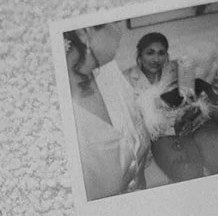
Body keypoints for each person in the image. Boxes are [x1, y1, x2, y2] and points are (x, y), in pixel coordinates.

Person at [64, 26, 151, 200]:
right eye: (115, 22)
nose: (120, 30)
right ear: (84, 33)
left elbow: (138, 137)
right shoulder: (65, 114)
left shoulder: (107, 69)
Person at [125, 32, 208, 184]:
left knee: (198, 169)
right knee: (183, 171)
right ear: (140, 55)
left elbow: (191, 98)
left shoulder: (178, 69)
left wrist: (189, 114)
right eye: (150, 53)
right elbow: (128, 118)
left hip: (183, 128)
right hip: (156, 136)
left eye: (161, 53)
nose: (156, 59)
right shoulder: (126, 79)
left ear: (167, 55)